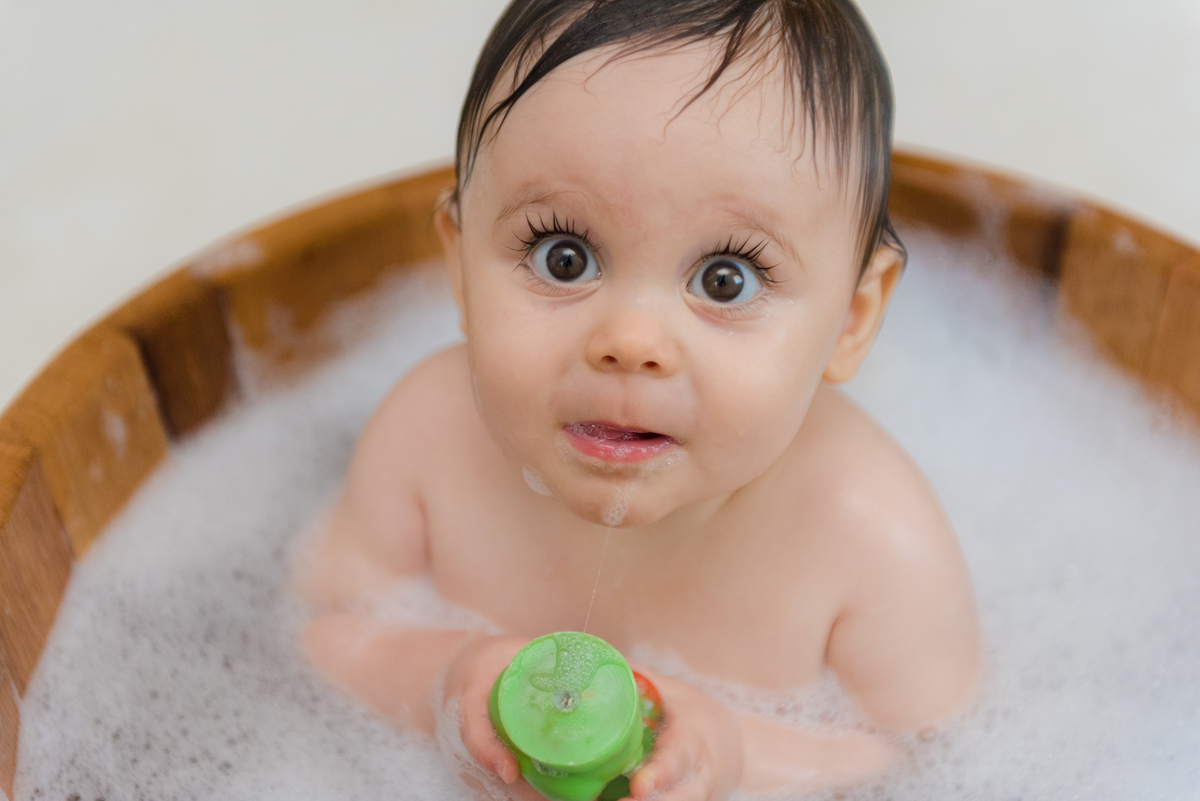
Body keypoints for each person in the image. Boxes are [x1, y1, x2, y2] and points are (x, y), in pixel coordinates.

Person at [297, 1, 981, 798]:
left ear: (851, 320)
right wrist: (445, 680)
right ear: (459, 266)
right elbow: (323, 633)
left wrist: (733, 755)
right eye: (562, 256)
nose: (630, 339)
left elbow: (926, 763)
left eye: (726, 279)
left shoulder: (870, 541)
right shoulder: (426, 439)